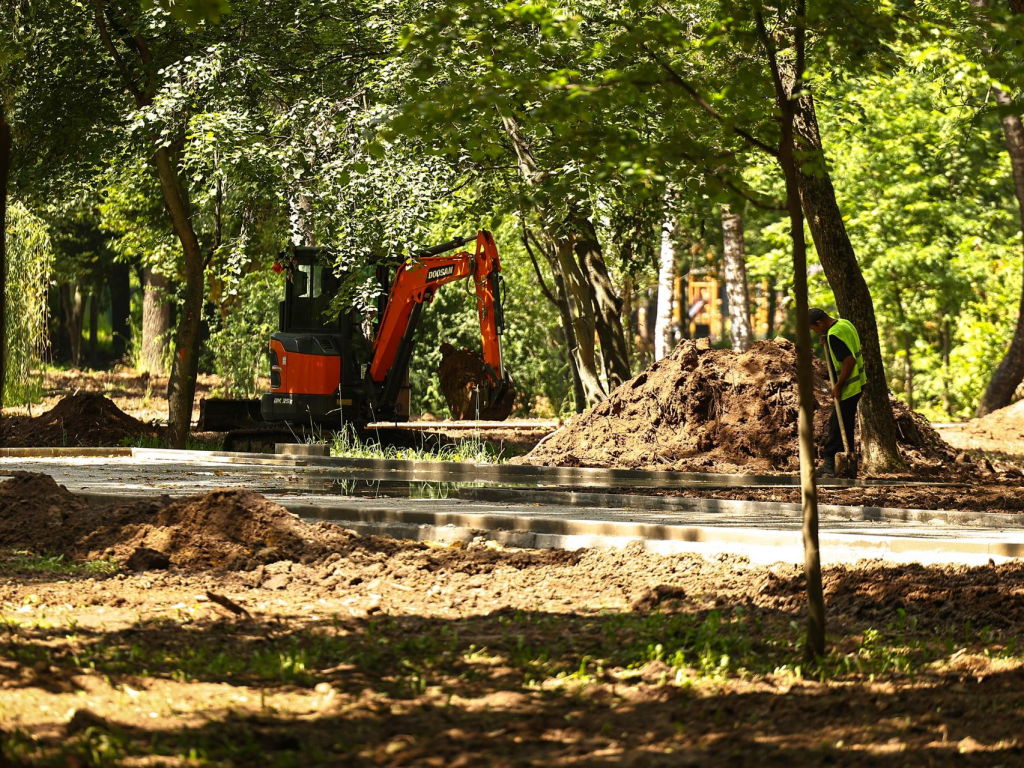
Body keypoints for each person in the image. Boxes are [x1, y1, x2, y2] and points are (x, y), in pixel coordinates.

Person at [808, 308, 865, 478]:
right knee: (844, 425)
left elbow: (849, 361)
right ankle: (844, 463)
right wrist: (827, 337)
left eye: (814, 329)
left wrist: (838, 386)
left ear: (819, 323)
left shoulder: (834, 335)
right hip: (859, 383)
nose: (814, 332)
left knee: (835, 427)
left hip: (849, 387)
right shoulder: (844, 324)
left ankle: (829, 466)